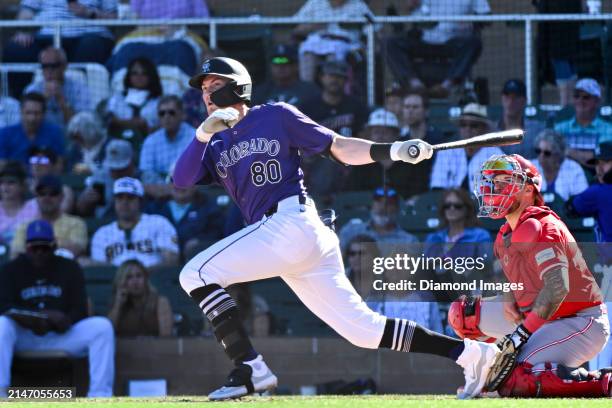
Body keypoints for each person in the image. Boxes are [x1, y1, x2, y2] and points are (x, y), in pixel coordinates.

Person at [174, 56, 499, 400]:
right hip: (288, 239)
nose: (207, 94)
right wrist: (201, 135)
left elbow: (339, 147)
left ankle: (250, 368)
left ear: (238, 87)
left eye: (215, 85)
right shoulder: (214, 142)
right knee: (363, 330)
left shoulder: (275, 115)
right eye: (204, 89)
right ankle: (472, 354)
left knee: (194, 274)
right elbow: (181, 179)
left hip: (290, 222)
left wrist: (394, 150)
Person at [449, 154, 610, 397]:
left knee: (513, 376)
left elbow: (557, 289)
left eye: (504, 181)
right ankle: (490, 374)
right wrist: (507, 295)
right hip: (540, 318)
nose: (494, 187)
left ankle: (600, 382)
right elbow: (514, 276)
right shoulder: (504, 233)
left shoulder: (542, 226)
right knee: (464, 314)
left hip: (581, 321)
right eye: (493, 181)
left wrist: (520, 336)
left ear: (527, 189)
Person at [0, 220, 115, 398]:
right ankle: (1, 393)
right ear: (26, 247)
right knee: (1, 325)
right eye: (34, 248)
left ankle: (99, 396)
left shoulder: (69, 267)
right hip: (25, 336)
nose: (39, 253)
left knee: (102, 327)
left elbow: (80, 309)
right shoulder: (10, 270)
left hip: (61, 335)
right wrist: (34, 317)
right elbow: (5, 307)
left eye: (45, 248)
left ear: (54, 246)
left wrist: (66, 319)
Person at [2, 0, 117, 98]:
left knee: (92, 46)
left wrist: (89, 13)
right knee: (16, 49)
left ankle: (83, 102)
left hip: (89, 34)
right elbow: (26, 12)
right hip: (46, 34)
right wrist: (23, 31)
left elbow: (113, 18)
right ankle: (26, 105)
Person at [566, 141, 612, 371]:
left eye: (606, 163)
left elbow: (572, 206)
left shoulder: (601, 191)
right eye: (599, 163)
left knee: (605, 331)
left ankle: (599, 382)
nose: (600, 168)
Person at [384, 0, 490, 97]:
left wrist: (471, 22)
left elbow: (487, 18)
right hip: (423, 41)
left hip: (453, 42)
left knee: (474, 42)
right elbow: (411, 11)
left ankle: (446, 86)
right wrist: (411, 5)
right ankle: (415, 85)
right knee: (391, 43)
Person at [301, 60, 370, 197]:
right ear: (322, 78)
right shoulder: (308, 107)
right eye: (331, 76)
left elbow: (365, 136)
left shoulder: (356, 106)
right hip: (317, 161)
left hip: (350, 160)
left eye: (339, 77)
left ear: (345, 81)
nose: (335, 80)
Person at [88, 177, 179, 268]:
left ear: (140, 201)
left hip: (155, 279)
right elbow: (99, 268)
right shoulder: (102, 234)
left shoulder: (159, 223)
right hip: (116, 281)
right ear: (114, 202)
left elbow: (171, 261)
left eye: (130, 198)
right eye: (120, 198)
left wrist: (141, 274)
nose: (124, 202)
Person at [345, 109, 430, 198]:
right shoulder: (361, 163)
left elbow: (421, 193)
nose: (380, 136)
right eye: (376, 132)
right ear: (370, 135)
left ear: (396, 135)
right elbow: (352, 194)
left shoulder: (411, 160)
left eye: (385, 132)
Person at [292, 0, 373, 83]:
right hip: (319, 41)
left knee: (333, 55)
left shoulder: (358, 5)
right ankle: (307, 86)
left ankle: (332, 87)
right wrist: (313, 26)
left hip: (346, 44)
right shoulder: (315, 3)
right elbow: (294, 26)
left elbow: (374, 29)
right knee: (307, 51)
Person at [430, 103, 504, 192]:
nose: (468, 129)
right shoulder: (445, 152)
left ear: (484, 129)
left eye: (474, 125)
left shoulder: (497, 156)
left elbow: (502, 190)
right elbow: (437, 188)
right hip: (452, 205)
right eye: (463, 125)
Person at [11, 175, 88, 260]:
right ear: (36, 197)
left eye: (53, 194)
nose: (47, 198)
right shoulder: (25, 226)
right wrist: (57, 246)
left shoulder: (76, 223)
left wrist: (34, 247)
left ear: (62, 197)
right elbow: (17, 254)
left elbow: (74, 250)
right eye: (42, 194)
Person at [139, 95, 194, 199]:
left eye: (171, 112)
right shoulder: (151, 141)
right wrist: (171, 189)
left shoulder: (196, 138)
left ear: (182, 115)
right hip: (159, 197)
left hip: (190, 196)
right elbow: (146, 178)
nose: (166, 117)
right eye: (162, 113)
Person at [150, 184, 224, 260]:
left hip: (195, 259)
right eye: (174, 180)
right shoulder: (156, 207)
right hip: (160, 261)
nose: (179, 185)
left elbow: (217, 232)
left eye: (184, 181)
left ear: (195, 185)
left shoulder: (208, 206)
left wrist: (200, 241)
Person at [24, 46, 91, 128]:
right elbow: (28, 125)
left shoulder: (79, 89)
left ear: (64, 66)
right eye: (45, 66)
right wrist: (42, 101)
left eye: (54, 66)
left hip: (70, 135)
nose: (49, 71)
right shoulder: (32, 90)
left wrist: (62, 101)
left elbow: (82, 126)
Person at [339, 187, 419, 254]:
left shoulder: (409, 241)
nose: (382, 207)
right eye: (378, 202)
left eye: (389, 203)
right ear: (372, 205)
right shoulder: (351, 231)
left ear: (397, 208)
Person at [554, 78, 612, 167]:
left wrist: (568, 151)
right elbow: (554, 158)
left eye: (586, 97)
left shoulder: (608, 129)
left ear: (597, 101)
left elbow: (601, 162)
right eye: (576, 96)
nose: (580, 100)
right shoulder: (560, 128)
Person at [107, 259, 173, 337]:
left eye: (138, 276)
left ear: (146, 279)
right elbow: (107, 333)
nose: (135, 281)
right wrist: (118, 305)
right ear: (122, 281)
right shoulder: (116, 303)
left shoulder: (160, 302)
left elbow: (166, 337)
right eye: (129, 277)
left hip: (154, 348)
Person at [103, 57, 162, 144]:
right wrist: (135, 123)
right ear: (128, 76)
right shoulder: (117, 98)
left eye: (144, 73)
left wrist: (145, 127)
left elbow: (162, 128)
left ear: (151, 76)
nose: (139, 77)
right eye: (134, 73)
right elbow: (109, 121)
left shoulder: (159, 102)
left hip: (149, 144)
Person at [76, 139, 139, 218]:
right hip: (104, 222)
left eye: (120, 169)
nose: (116, 172)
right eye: (112, 168)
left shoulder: (140, 177)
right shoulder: (101, 176)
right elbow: (83, 210)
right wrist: (85, 201)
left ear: (131, 163)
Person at [251, 44, 320, 114]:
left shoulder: (310, 90)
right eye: (276, 63)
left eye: (287, 63)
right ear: (270, 66)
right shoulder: (259, 92)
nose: (281, 67)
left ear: (296, 66)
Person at [0, 92, 64, 166]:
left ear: (44, 114)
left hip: (46, 176)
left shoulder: (54, 133)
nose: (32, 118)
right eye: (28, 113)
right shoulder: (5, 134)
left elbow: (59, 164)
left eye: (37, 113)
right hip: (15, 176)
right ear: (21, 112)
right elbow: (1, 164)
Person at [531, 129, 588, 201]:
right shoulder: (529, 167)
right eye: (538, 151)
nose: (541, 156)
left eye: (547, 153)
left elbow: (583, 200)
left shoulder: (574, 169)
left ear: (558, 154)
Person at [496, 79, 546, 159]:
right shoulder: (491, 130)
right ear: (502, 98)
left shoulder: (537, 130)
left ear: (524, 100)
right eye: (507, 96)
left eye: (515, 97)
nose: (510, 101)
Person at [0, 162, 38, 246]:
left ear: (23, 185)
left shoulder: (35, 206)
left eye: (11, 183)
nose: (5, 187)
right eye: (2, 183)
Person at [28, 146, 75, 213]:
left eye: (43, 160)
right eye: (34, 159)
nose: (37, 164)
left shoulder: (64, 190)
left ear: (53, 165)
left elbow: (62, 213)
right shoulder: (21, 187)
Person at [65, 111, 110, 176]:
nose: (77, 141)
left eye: (78, 137)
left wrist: (91, 170)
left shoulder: (109, 145)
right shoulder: (75, 148)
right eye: (75, 137)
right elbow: (70, 170)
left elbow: (112, 172)